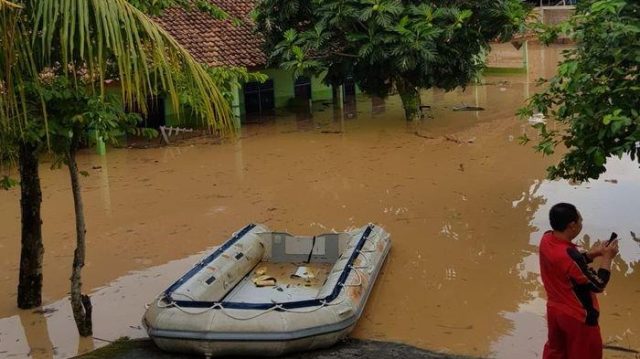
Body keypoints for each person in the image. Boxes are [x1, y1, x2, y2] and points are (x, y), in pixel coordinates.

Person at [539, 203, 619, 359]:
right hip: (578, 317)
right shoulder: (570, 256)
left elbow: (568, 266)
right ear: (572, 226)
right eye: (580, 221)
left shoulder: (547, 239)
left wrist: (594, 254)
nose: (582, 224)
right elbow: (598, 284)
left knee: (556, 353)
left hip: (555, 310)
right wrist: (608, 258)